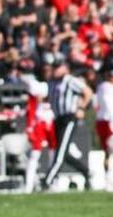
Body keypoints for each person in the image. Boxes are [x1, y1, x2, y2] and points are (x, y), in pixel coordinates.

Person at [43, 59, 92, 190]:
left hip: (69, 118)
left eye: (58, 67)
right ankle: (86, 172)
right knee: (63, 152)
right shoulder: (52, 82)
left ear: (65, 68)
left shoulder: (70, 81)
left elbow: (87, 92)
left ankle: (48, 180)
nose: (55, 70)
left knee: (60, 152)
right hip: (58, 118)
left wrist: (81, 108)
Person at [22, 59, 56, 193]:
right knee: (35, 155)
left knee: (53, 155)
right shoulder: (36, 86)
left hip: (52, 121)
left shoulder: (55, 84)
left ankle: (51, 182)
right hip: (40, 123)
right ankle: (29, 185)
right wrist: (30, 126)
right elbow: (31, 107)